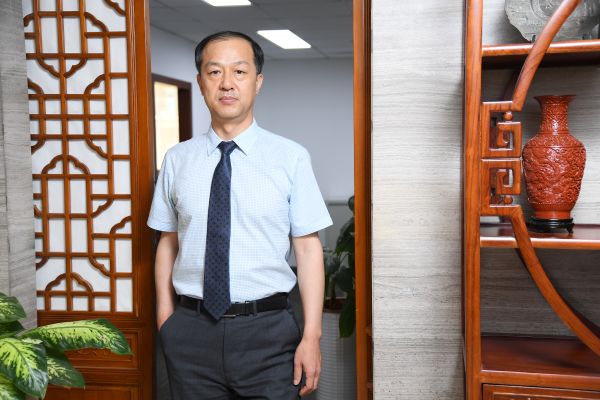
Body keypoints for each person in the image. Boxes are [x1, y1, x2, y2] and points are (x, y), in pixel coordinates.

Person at [147, 31, 333, 399]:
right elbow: (168, 242)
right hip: (190, 331)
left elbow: (308, 249)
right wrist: (166, 322)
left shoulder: (291, 158)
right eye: (215, 72)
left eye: (240, 71)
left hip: (268, 331)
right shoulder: (177, 159)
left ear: (257, 82)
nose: (227, 83)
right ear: (201, 82)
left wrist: (312, 335)